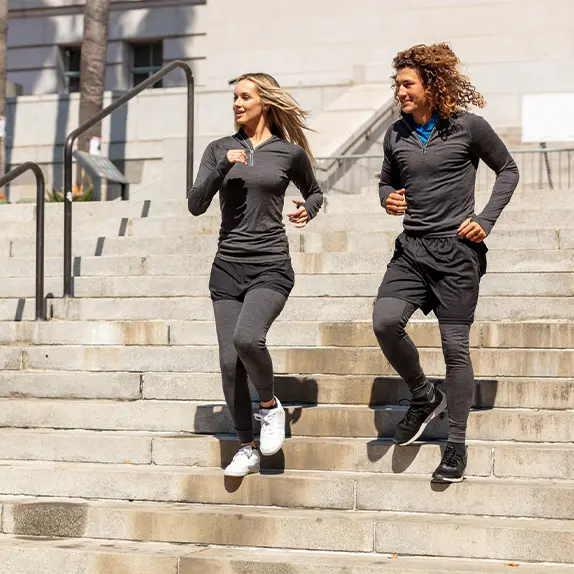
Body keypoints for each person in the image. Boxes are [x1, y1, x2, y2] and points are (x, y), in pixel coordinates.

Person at [373, 43, 519, 483]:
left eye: (407, 84)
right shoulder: (395, 134)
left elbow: (508, 169)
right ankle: (422, 394)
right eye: (397, 84)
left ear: (431, 85)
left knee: (455, 350)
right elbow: (385, 182)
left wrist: (485, 219)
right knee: (384, 322)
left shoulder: (469, 127)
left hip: (456, 254)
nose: (399, 92)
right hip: (412, 251)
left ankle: (456, 444)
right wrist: (387, 198)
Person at [188, 72, 323, 477]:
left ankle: (270, 406)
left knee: (248, 337)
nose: (237, 104)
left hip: (270, 266)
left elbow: (315, 191)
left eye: (245, 97)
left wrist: (307, 208)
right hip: (227, 269)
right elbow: (195, 204)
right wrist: (219, 170)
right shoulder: (219, 149)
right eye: (234, 98)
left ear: (265, 101)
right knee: (230, 362)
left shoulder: (289, 153)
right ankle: (245, 446)